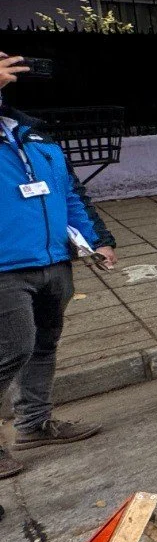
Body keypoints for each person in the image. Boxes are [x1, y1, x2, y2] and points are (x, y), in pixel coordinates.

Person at [0, 52, 115, 481]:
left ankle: (33, 424)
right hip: (5, 268)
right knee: (12, 349)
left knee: (43, 344)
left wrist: (99, 240)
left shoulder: (34, 136)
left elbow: (70, 195)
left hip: (53, 259)